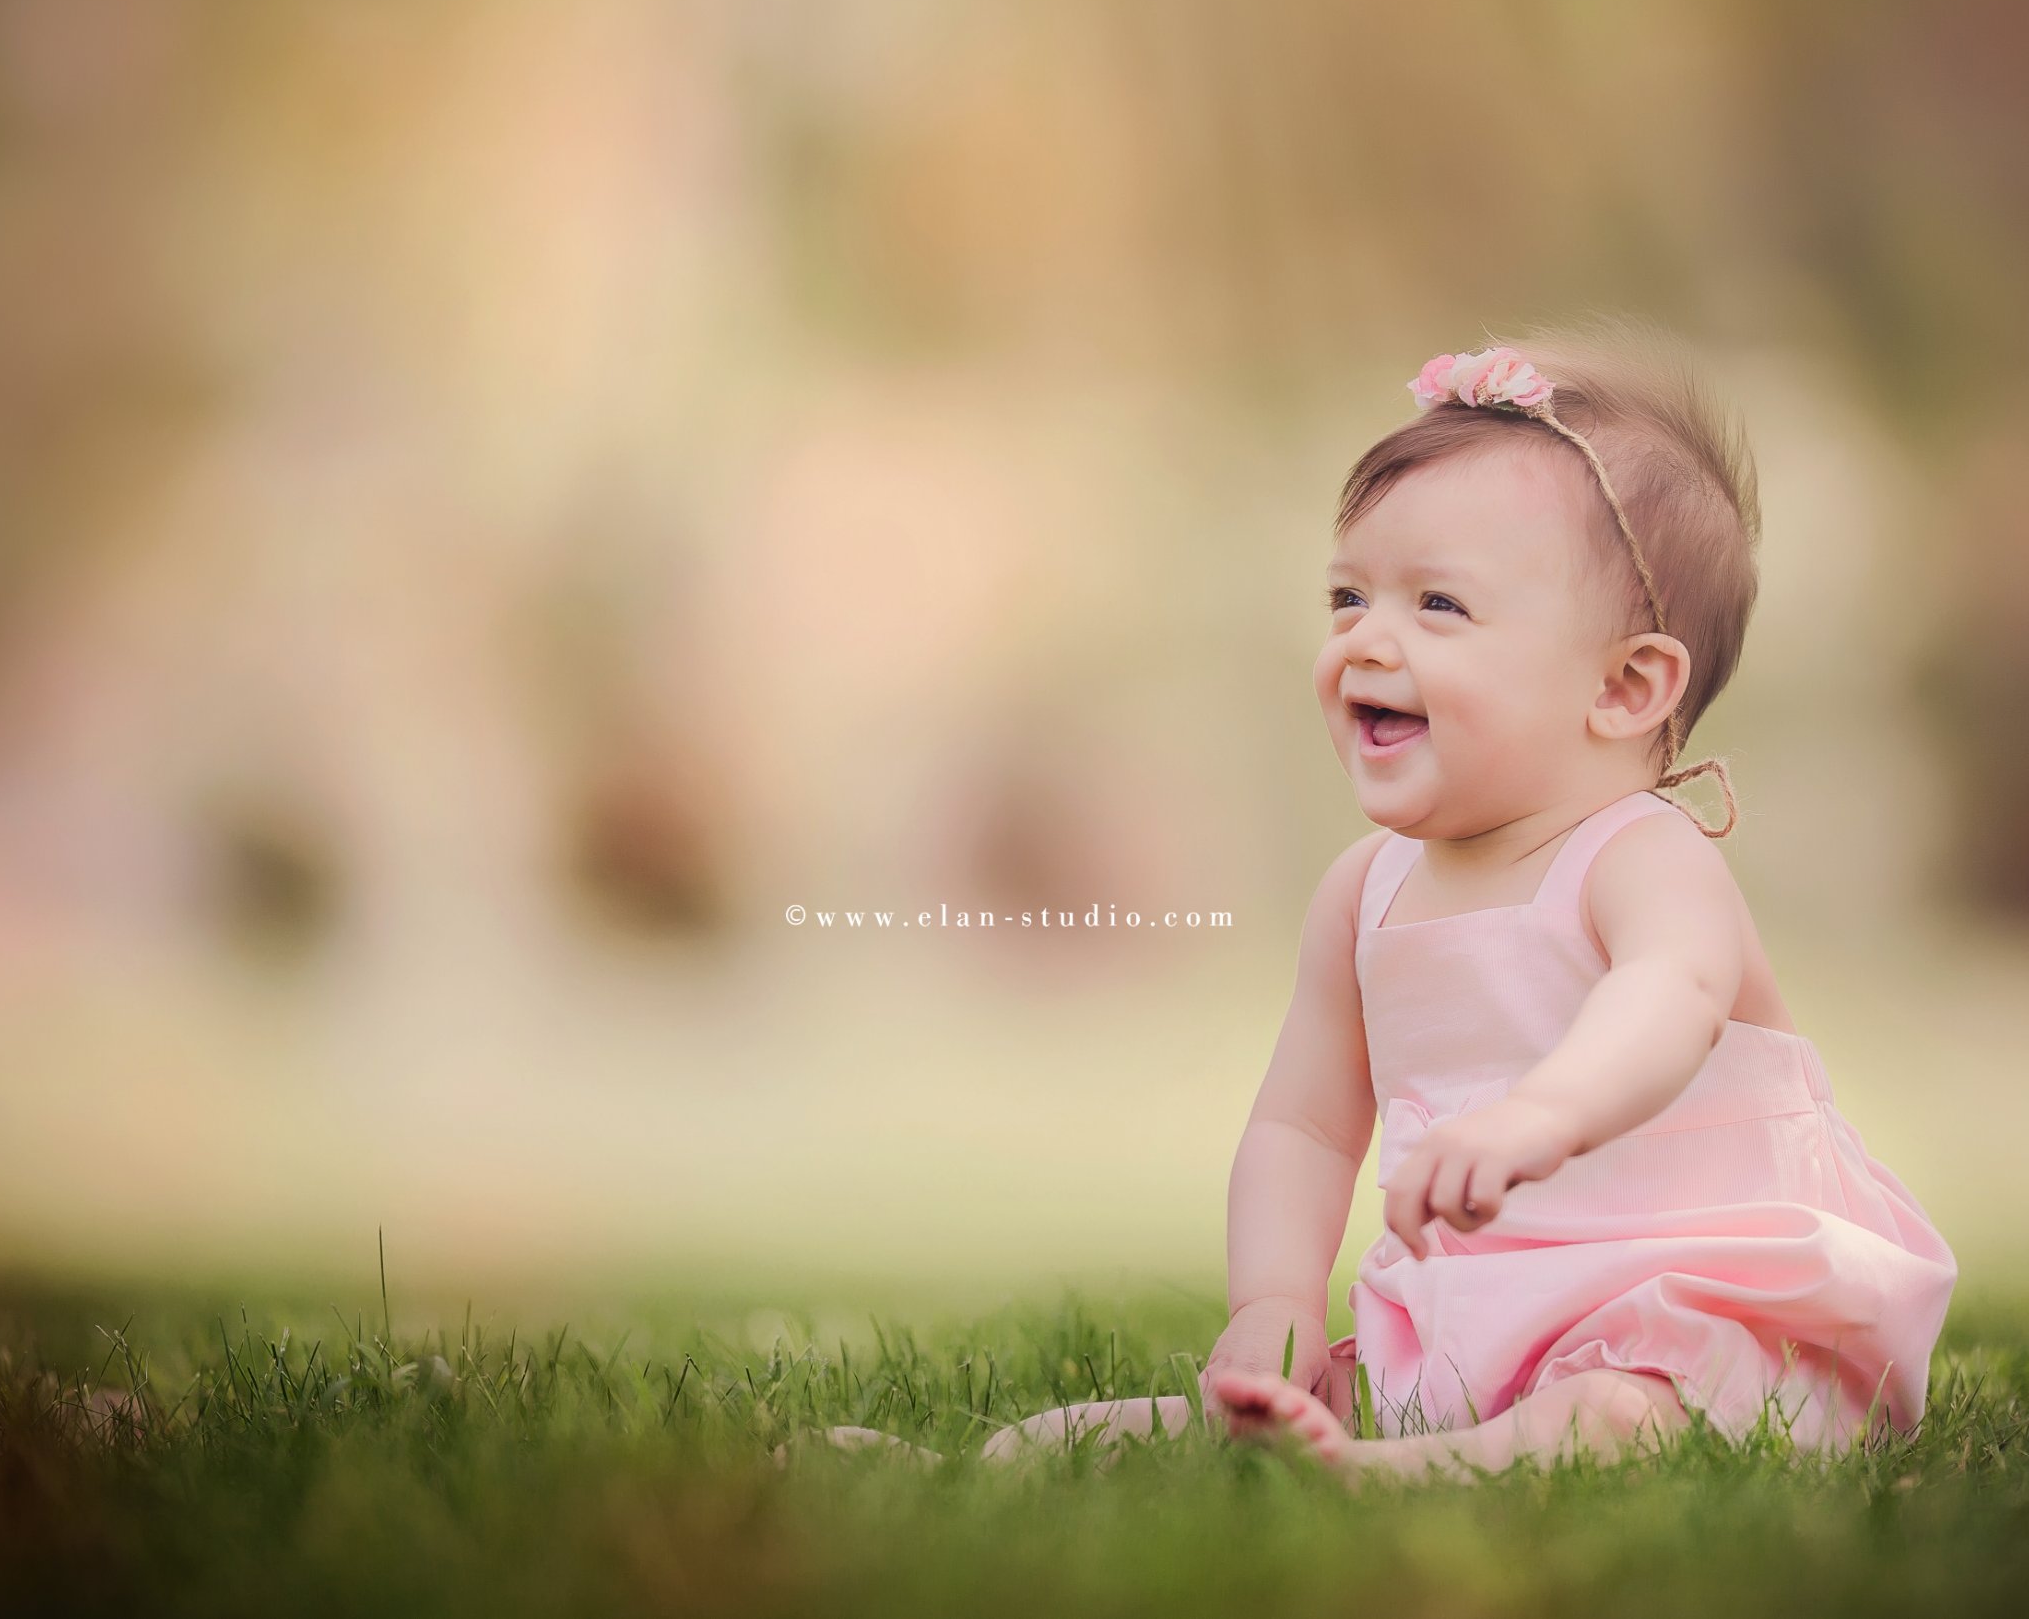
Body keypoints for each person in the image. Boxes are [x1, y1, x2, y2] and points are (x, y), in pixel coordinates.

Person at [830, 323, 1957, 1480]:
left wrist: (1540, 1114)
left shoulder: (1642, 855)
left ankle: (1388, 1478)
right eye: (1348, 595)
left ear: (1624, 685)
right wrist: (1270, 1297)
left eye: (1438, 605)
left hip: (1698, 1316)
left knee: (1618, 1416)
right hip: (1484, 1313)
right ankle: (975, 1465)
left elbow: (1670, 994)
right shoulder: (1363, 893)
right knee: (1190, 1418)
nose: (1367, 637)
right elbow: (1304, 1124)